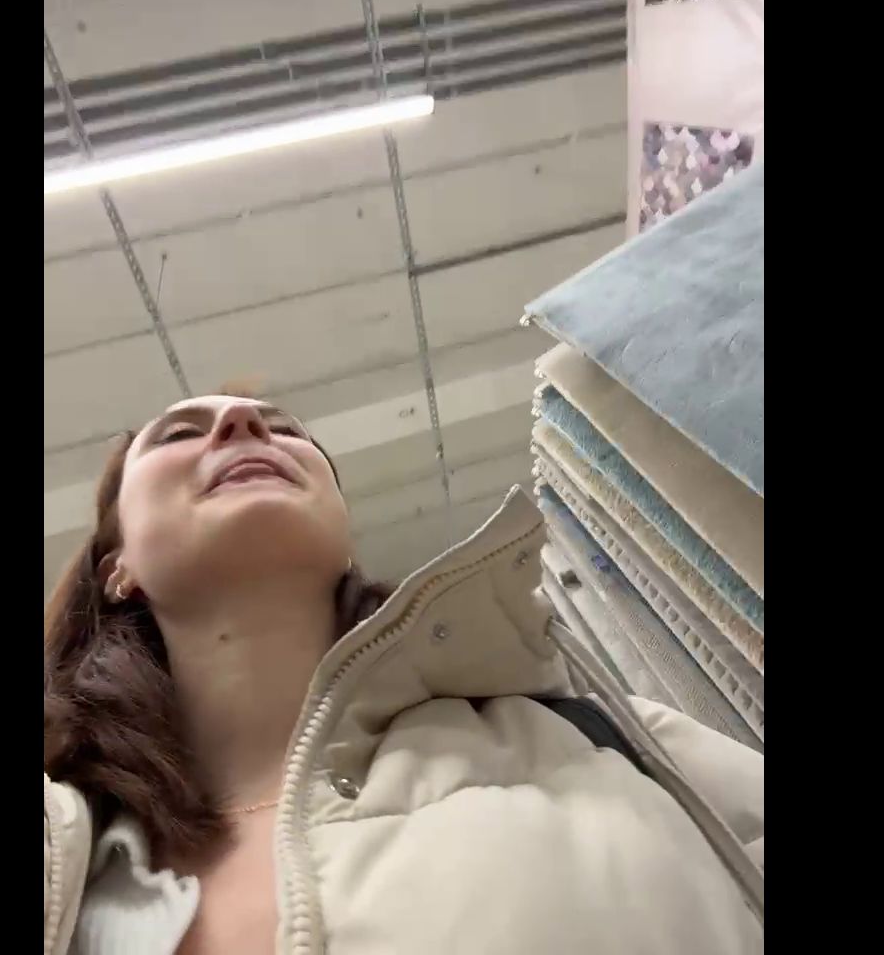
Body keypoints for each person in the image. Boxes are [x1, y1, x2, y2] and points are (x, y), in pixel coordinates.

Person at [44, 392, 764, 955]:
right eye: (178, 435)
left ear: (343, 532)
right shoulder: (64, 859)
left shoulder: (599, 734)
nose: (243, 424)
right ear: (117, 568)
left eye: (285, 429)